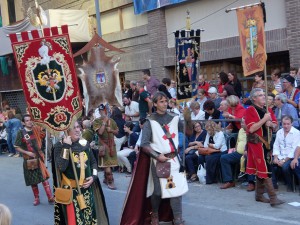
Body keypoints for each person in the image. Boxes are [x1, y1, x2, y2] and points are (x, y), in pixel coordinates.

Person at [120, 92, 188, 225]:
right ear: (155, 104)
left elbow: (188, 131)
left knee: (176, 190)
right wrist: (157, 156)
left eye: (166, 101)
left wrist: (188, 118)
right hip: (158, 160)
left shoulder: (174, 118)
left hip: (174, 159)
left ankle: (178, 217)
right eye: (161, 101)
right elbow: (144, 143)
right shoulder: (150, 121)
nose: (164, 104)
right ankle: (155, 213)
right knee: (157, 191)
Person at [53, 121, 109, 225]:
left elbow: (93, 163)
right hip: (72, 192)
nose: (77, 130)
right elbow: (61, 167)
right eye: (74, 128)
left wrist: (94, 176)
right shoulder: (59, 146)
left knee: (89, 219)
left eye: (78, 127)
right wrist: (66, 146)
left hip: (87, 190)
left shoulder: (85, 143)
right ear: (67, 131)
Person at [244, 88, 285, 206]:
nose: (263, 97)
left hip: (267, 143)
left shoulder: (267, 109)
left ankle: (259, 195)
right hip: (257, 143)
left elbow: (276, 126)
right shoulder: (250, 110)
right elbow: (251, 129)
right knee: (265, 168)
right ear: (254, 98)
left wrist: (271, 124)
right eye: (260, 95)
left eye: (263, 94)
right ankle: (273, 197)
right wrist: (264, 120)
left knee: (263, 167)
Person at [14, 114, 54, 206]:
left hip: (39, 158)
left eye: (30, 120)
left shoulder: (37, 129)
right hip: (29, 160)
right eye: (27, 120)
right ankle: (36, 198)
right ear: (23, 122)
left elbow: (45, 132)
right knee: (33, 180)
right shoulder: (21, 133)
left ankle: (50, 197)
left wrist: (46, 125)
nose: (29, 121)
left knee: (44, 178)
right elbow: (16, 146)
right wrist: (27, 153)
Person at [93, 104, 119, 190]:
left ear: (106, 111)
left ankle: (105, 178)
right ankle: (110, 181)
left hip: (112, 145)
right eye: (100, 111)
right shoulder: (96, 121)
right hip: (103, 145)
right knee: (107, 166)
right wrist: (104, 122)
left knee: (109, 165)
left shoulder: (112, 121)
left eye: (104, 111)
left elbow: (117, 132)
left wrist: (111, 130)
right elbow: (100, 132)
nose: (102, 112)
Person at [272, 115, 300, 191]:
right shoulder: (279, 132)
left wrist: (284, 160)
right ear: (281, 123)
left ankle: (290, 185)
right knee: (269, 162)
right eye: (284, 124)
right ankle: (273, 185)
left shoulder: (296, 133)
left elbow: (294, 149)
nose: (286, 126)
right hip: (280, 155)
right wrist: (275, 157)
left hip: (291, 157)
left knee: (285, 167)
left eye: (288, 124)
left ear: (292, 124)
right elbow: (276, 145)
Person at [220, 118, 247, 189]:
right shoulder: (241, 130)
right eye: (241, 123)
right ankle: (229, 181)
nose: (242, 124)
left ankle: (250, 182)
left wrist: (246, 150)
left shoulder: (251, 131)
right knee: (224, 158)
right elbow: (238, 141)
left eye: (243, 123)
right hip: (238, 153)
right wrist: (235, 149)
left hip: (247, 154)